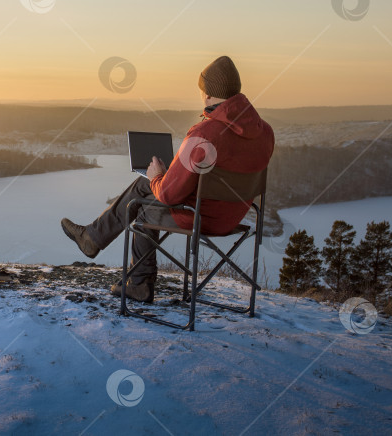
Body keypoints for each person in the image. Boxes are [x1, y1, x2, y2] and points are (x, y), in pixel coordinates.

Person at [61, 55, 275, 302]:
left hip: (199, 218)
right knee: (145, 188)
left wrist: (158, 176)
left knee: (141, 205)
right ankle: (93, 238)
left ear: (207, 94)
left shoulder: (204, 134)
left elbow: (169, 195)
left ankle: (134, 279)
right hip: (234, 216)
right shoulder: (265, 132)